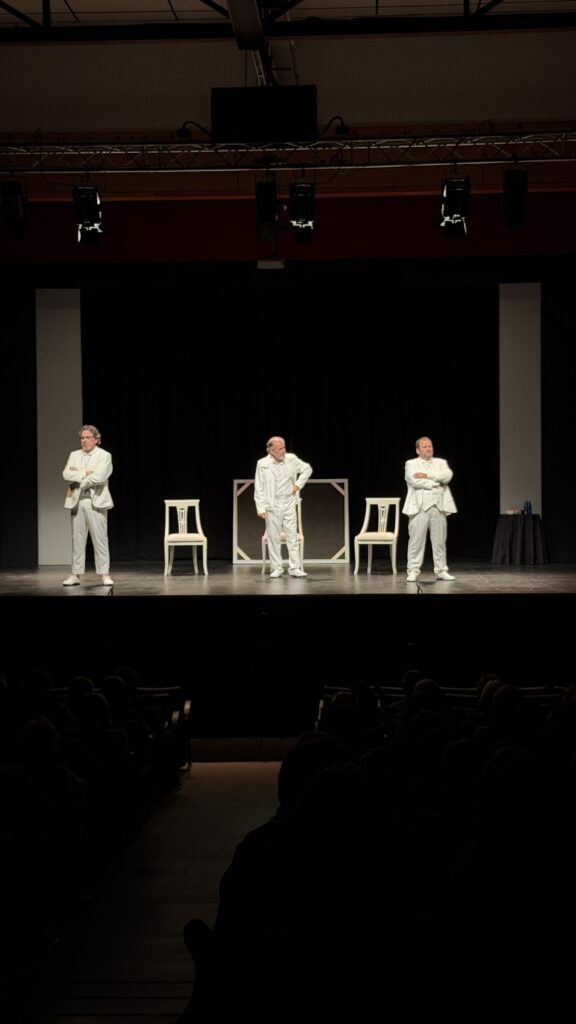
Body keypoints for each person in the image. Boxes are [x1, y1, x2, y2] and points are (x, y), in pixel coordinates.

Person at [62, 424, 114, 586]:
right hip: (77, 500)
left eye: (87, 438)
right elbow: (66, 474)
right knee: (77, 540)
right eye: (82, 438)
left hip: (95, 501)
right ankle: (75, 574)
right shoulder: (74, 455)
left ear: (96, 439)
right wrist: (85, 474)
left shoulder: (104, 456)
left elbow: (99, 477)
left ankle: (105, 574)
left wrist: (78, 477)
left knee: (100, 539)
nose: (84, 441)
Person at [254, 436, 312, 578]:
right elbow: (259, 487)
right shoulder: (262, 464)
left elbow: (307, 469)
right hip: (272, 504)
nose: (283, 451)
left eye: (284, 447)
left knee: (292, 536)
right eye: (280, 449)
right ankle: (276, 568)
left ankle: (294, 568)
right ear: (270, 450)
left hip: (288, 502)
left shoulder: (291, 459)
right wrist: (260, 508)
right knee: (274, 537)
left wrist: (297, 485)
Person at [402, 436, 457, 583]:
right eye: (425, 447)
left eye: (430, 446)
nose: (428, 449)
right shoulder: (411, 463)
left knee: (439, 542)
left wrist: (427, 476)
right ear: (418, 450)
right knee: (416, 541)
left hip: (438, 506)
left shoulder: (441, 462)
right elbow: (413, 480)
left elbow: (447, 476)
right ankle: (413, 570)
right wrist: (434, 483)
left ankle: (441, 571)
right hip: (419, 507)